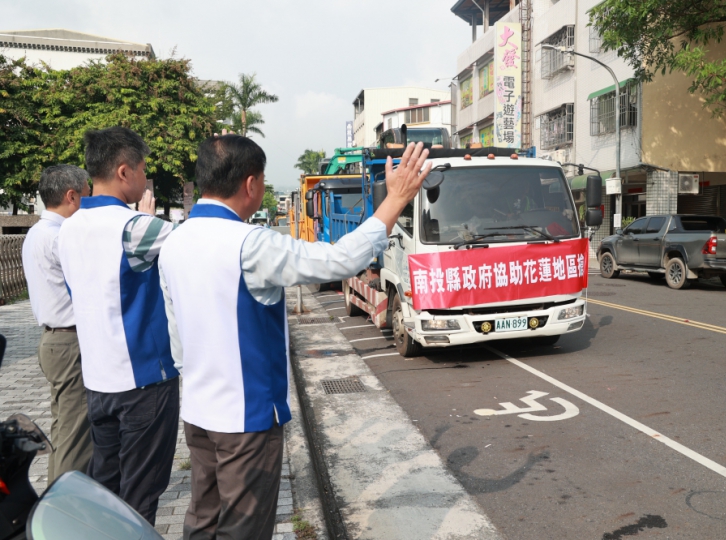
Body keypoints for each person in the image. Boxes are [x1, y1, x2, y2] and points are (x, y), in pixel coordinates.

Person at [158, 136, 432, 539]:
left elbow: (176, 336)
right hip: (245, 420)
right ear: (250, 184)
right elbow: (340, 260)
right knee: (242, 530)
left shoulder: (174, 241)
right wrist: (394, 202)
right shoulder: (251, 245)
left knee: (203, 520)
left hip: (198, 414)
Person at [57, 127, 179, 525]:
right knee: (140, 496)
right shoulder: (136, 227)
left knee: (107, 489)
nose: (146, 179)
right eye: (144, 169)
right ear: (124, 172)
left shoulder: (67, 228)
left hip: (98, 382)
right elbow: (200, 244)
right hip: (143, 381)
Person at [21, 165, 92, 484]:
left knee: (65, 430)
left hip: (54, 341)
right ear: (72, 195)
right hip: (69, 342)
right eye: (88, 191)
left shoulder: (37, 232)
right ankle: (65, 512)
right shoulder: (61, 236)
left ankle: (57, 500)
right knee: (75, 436)